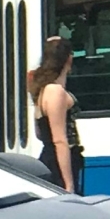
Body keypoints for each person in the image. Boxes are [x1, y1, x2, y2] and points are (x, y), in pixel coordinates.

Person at [28, 35, 81, 193]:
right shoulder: (55, 91)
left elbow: (39, 133)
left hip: (51, 159)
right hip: (59, 164)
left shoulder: (42, 90)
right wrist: (68, 184)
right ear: (68, 59)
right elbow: (60, 141)